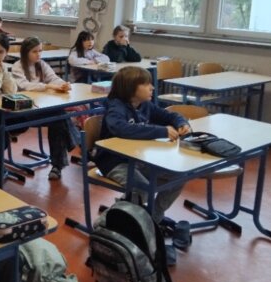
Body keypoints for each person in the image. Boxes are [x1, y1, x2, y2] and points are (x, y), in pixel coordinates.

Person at [96, 66, 191, 222]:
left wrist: (181, 123)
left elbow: (169, 116)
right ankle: (107, 222)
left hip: (140, 159)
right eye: (146, 84)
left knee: (179, 175)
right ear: (131, 88)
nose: (152, 87)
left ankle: (153, 218)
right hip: (114, 161)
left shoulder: (145, 104)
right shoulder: (116, 107)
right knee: (141, 188)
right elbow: (121, 128)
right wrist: (160, 131)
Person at [11, 37, 80, 180]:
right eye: (34, 51)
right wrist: (47, 86)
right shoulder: (18, 66)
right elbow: (25, 86)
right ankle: (77, 144)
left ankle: (57, 166)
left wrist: (63, 84)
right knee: (59, 117)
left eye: (40, 51)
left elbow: (53, 78)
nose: (38, 54)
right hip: (25, 111)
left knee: (59, 117)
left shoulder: (41, 64)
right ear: (25, 52)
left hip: (41, 108)